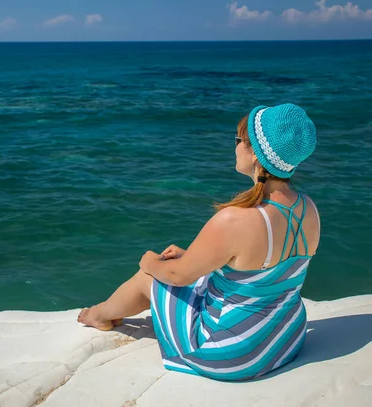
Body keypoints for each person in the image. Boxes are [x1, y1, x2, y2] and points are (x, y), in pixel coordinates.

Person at [77, 103, 320, 381]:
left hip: (236, 353)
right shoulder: (308, 209)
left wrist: (149, 261)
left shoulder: (236, 218)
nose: (236, 146)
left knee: (150, 276)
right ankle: (105, 311)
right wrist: (193, 256)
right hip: (284, 338)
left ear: (256, 154)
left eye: (239, 140)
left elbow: (177, 277)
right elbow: (262, 265)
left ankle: (97, 315)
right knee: (187, 269)